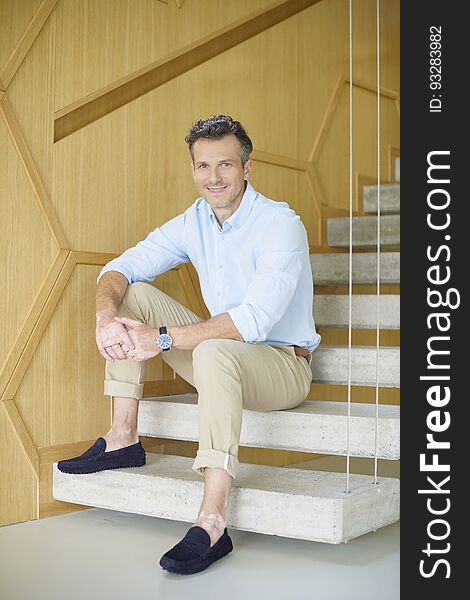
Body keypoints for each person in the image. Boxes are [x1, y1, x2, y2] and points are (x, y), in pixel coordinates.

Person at [58, 114, 321, 575]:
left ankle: (212, 518)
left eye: (225, 165)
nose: (213, 177)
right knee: (133, 295)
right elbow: (121, 267)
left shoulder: (280, 224)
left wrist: (160, 339)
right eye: (203, 166)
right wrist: (106, 319)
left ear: (247, 168)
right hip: (217, 356)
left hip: (281, 365)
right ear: (193, 170)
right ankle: (123, 437)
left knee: (216, 347)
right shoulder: (194, 220)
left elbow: (252, 320)